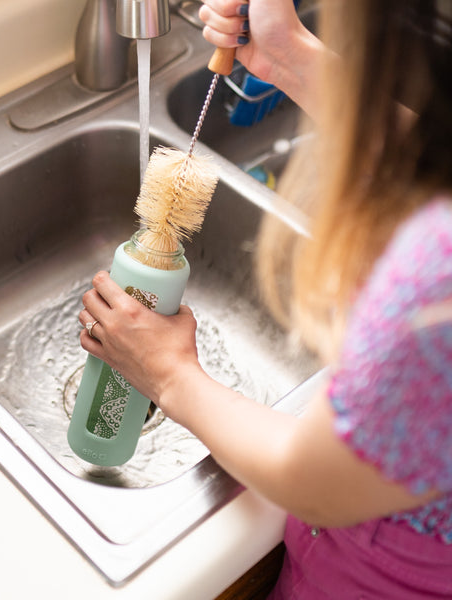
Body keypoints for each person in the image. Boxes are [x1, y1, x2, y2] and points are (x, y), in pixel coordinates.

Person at [78, 0, 452, 597]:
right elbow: (435, 163)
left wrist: (169, 373)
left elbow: (315, 483)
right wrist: (290, 59)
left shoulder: (436, 286)